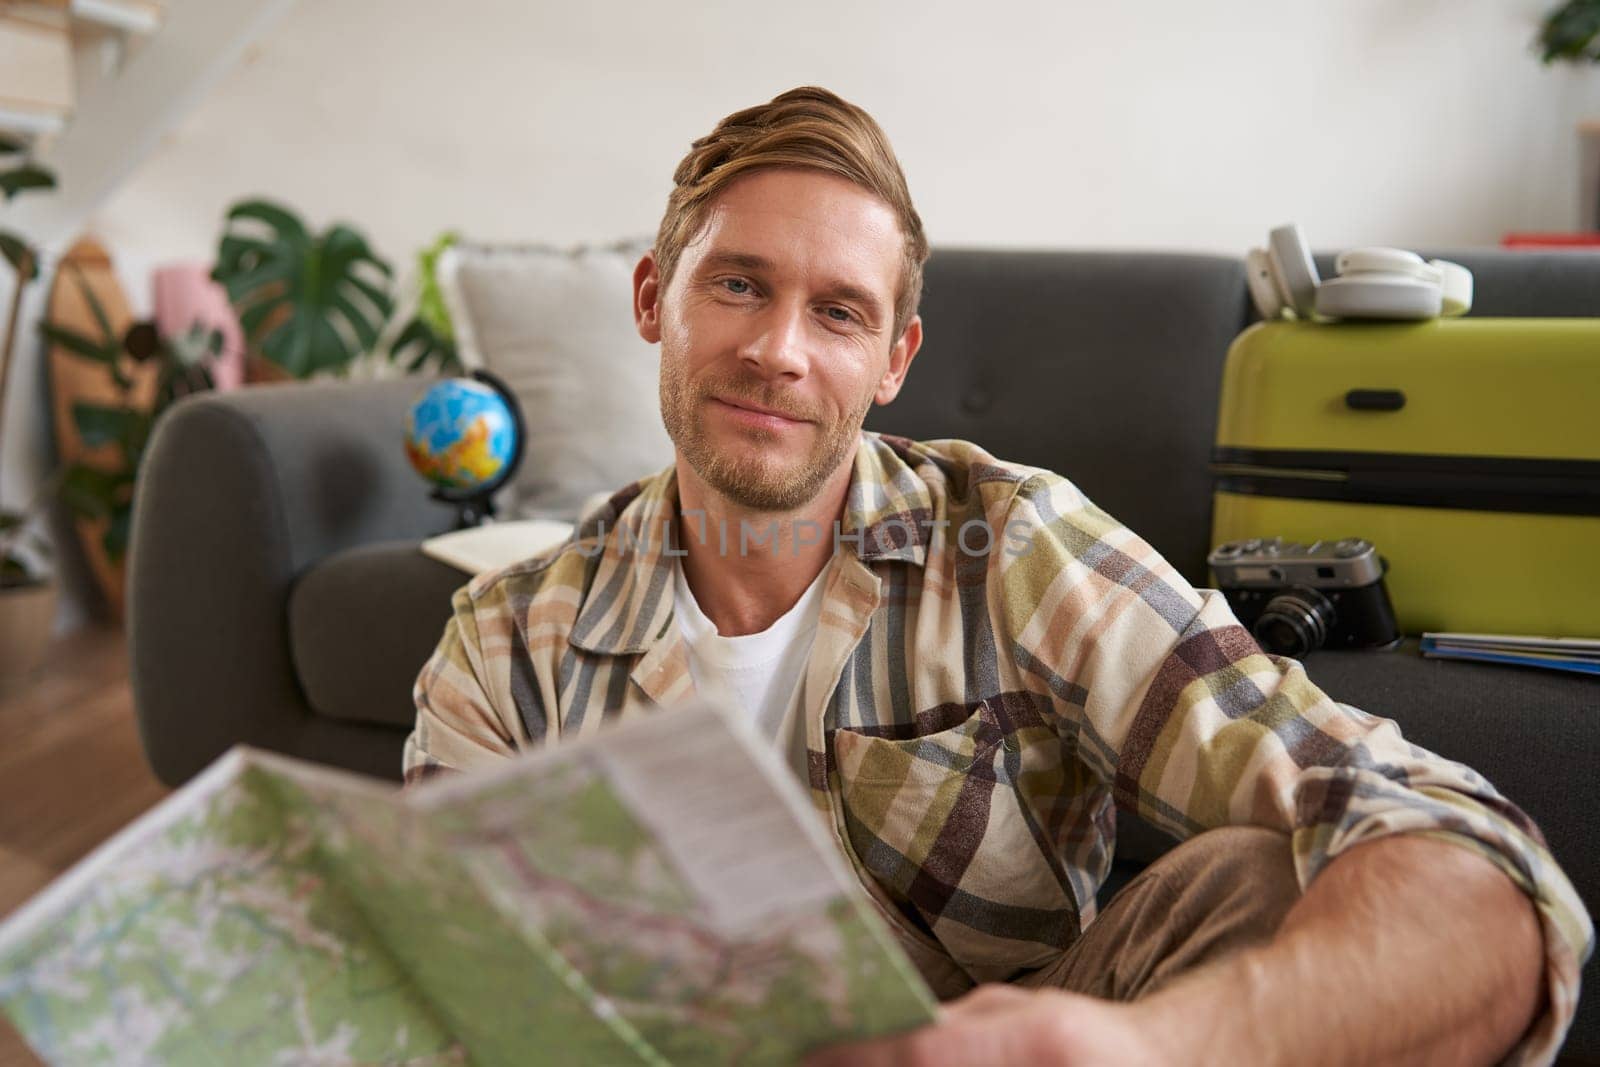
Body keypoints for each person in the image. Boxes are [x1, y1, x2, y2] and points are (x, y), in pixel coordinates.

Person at [403, 86, 1590, 1065]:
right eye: (737, 284)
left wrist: (1155, 1047)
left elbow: (1473, 858)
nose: (777, 350)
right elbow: (441, 996)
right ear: (654, 298)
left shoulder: (1011, 543)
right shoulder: (504, 644)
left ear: (892, 362)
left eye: (838, 312)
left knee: (1270, 878)